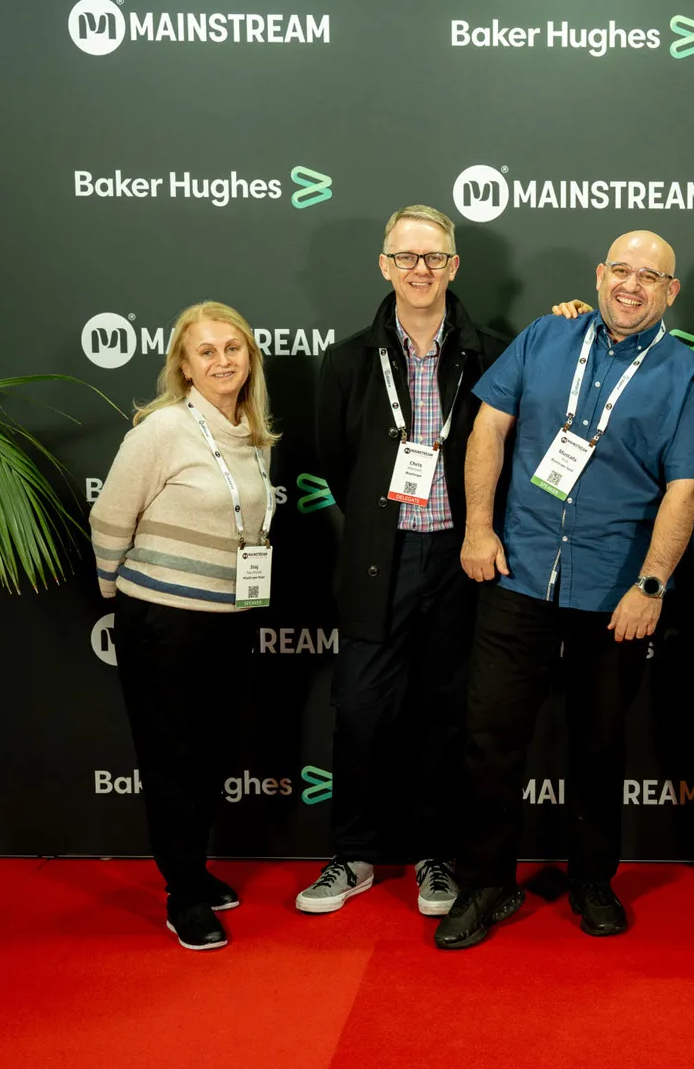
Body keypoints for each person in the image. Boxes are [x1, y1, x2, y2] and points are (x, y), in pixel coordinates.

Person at [433, 231, 694, 950]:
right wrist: (476, 528)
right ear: (599, 275)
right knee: (490, 739)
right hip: (517, 569)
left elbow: (686, 488)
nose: (632, 285)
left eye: (650, 276)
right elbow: (488, 429)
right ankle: (486, 885)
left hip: (615, 589)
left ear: (670, 292)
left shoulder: (685, 374)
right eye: (620, 270)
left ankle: (593, 879)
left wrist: (651, 585)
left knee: (600, 743)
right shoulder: (545, 335)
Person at [298, 205, 509, 919]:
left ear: (454, 267)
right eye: (406, 257)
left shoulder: (492, 352)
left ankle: (432, 856)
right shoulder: (346, 358)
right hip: (377, 558)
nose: (421, 270)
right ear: (384, 265)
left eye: (434, 258)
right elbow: (334, 458)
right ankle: (353, 854)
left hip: (461, 557)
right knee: (359, 710)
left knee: (446, 711)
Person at [91, 301, 278, 950]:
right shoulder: (165, 429)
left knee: (207, 756)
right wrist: (120, 592)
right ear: (184, 365)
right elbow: (110, 516)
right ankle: (182, 895)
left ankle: (193, 870)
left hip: (225, 623)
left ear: (249, 357)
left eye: (233, 347)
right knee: (173, 760)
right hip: (162, 623)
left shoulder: (251, 434)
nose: (222, 360)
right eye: (207, 351)